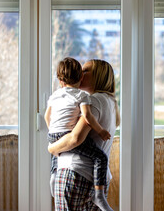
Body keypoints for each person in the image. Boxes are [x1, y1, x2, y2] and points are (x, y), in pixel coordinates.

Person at [48, 59, 120, 211]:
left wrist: (52, 148)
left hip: (75, 173)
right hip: (97, 179)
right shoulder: (110, 102)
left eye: (86, 70)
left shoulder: (93, 101)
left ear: (98, 77)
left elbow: (75, 138)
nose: (80, 73)